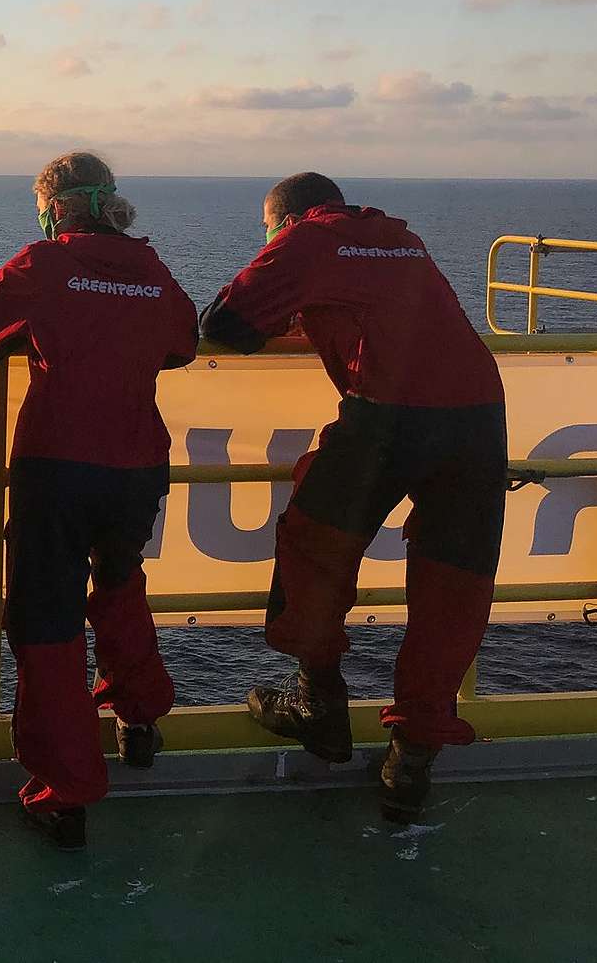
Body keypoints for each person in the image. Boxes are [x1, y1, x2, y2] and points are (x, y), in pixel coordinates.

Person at [200, 173, 506, 824]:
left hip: (388, 417)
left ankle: (317, 701)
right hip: (478, 416)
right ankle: (410, 762)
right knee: (453, 583)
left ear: (281, 219)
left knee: (312, 540)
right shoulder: (398, 236)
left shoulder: (305, 239)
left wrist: (292, 309)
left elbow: (225, 323)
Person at [0, 152, 197, 850]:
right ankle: (139, 715)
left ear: (53, 208)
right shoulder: (149, 270)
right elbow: (182, 343)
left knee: (46, 622)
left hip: (57, 466)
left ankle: (65, 791)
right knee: (119, 581)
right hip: (136, 464)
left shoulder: (42, 265)